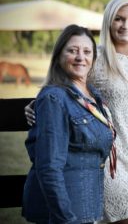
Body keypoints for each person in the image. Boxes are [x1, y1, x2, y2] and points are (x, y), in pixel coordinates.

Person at [25, 0, 128, 224]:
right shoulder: (96, 57)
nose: (125, 25)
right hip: (107, 164)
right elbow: (66, 82)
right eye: (118, 19)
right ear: (108, 21)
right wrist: (37, 103)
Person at [22, 24, 115, 223]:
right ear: (59, 56)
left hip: (87, 205)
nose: (81, 57)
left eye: (87, 51)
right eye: (73, 51)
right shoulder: (53, 99)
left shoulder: (92, 96)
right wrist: (66, 219)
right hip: (65, 212)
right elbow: (49, 168)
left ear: (93, 58)